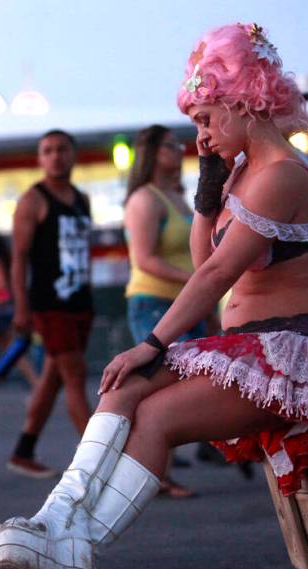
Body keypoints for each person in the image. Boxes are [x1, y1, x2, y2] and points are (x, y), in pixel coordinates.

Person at [0, 23, 308, 569]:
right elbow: (209, 258)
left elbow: (213, 277)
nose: (200, 136)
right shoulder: (243, 172)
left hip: (295, 351)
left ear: (241, 102)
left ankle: (66, 555)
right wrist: (209, 190)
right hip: (250, 347)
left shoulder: (283, 171)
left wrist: (153, 342)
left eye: (206, 118)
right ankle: (49, 541)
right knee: (122, 389)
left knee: (156, 417)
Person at [6, 129, 94, 479]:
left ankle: (23, 450)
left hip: (80, 300)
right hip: (49, 302)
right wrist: (21, 306)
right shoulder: (33, 200)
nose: (55, 156)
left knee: (53, 378)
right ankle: (98, 461)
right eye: (48, 151)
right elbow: (18, 257)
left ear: (73, 155)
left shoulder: (81, 199)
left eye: (61, 149)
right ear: (40, 159)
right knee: (74, 373)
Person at [122, 124, 204, 499]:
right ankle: (153, 473)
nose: (180, 150)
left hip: (184, 302)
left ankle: (158, 471)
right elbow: (145, 259)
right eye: (172, 146)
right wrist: (197, 279)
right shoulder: (145, 199)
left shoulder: (176, 196)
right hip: (154, 302)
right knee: (162, 389)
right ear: (154, 153)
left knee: (180, 386)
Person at [0, 232, 38, 389]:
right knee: (11, 348)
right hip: (5, 308)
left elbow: (0, 284)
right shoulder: (1, 260)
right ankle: (34, 381)